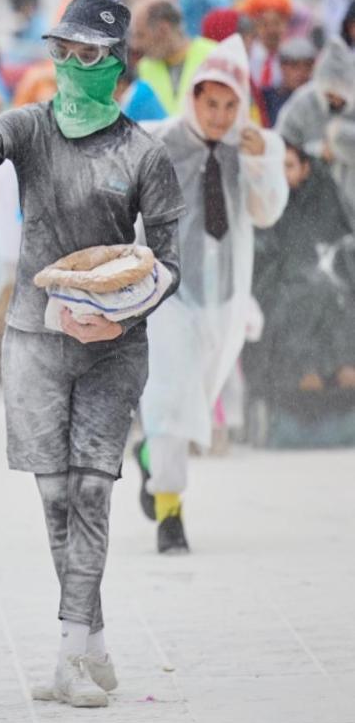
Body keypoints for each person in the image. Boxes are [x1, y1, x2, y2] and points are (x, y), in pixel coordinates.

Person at [0, 0, 185, 710]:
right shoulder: (31, 126)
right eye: (60, 49)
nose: (67, 62)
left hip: (115, 346)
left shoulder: (147, 154)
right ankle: (88, 639)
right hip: (32, 336)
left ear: (114, 62)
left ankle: (67, 655)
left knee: (92, 487)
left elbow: (172, 263)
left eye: (85, 53)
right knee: (55, 496)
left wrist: (119, 317)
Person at [133, 35, 287, 552]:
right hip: (170, 296)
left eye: (229, 105)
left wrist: (263, 161)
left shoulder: (252, 147)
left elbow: (266, 212)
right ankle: (171, 515)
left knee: (194, 402)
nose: (219, 116)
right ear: (193, 99)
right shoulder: (161, 142)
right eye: (210, 103)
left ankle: (152, 460)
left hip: (222, 300)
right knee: (171, 399)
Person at [243, 142, 355, 445]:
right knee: (301, 303)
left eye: (290, 165)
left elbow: (341, 241)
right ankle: (305, 376)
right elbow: (261, 255)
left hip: (328, 287)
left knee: (335, 300)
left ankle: (342, 371)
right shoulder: (266, 203)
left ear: (305, 167)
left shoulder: (325, 197)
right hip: (279, 289)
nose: (284, 173)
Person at [275, 37, 355, 206]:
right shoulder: (302, 105)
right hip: (308, 197)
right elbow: (280, 146)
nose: (335, 101)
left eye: (341, 97)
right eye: (329, 95)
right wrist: (316, 150)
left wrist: (342, 142)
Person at [132, 0, 217, 116]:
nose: (136, 44)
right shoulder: (144, 68)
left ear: (163, 30)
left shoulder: (213, 54)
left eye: (141, 35)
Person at [262, 35, 319, 123]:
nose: (301, 72)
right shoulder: (266, 98)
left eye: (307, 66)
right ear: (282, 66)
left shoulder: (319, 100)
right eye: (294, 65)